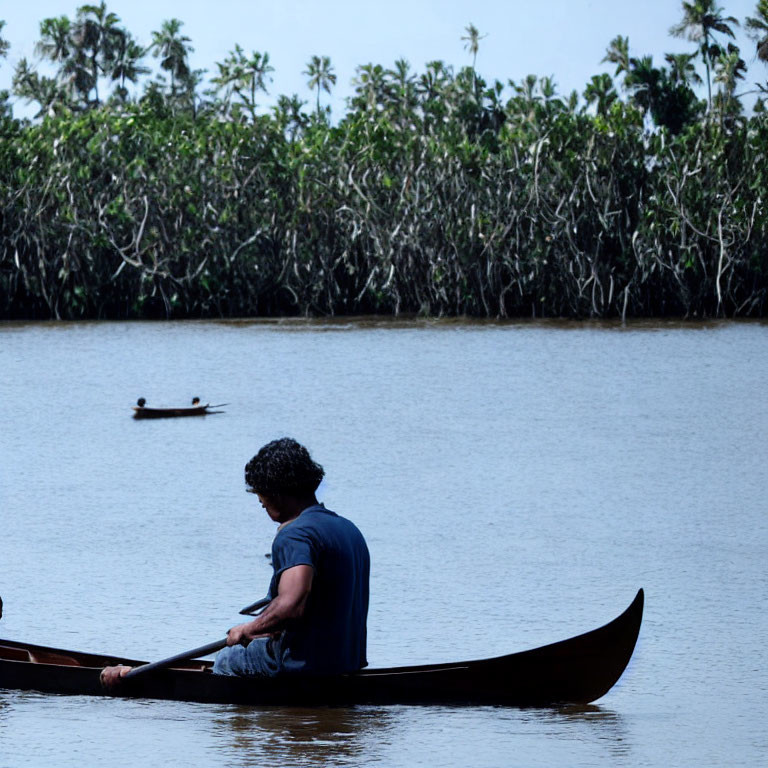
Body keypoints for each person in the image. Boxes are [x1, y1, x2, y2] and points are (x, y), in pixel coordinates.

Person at [101, 438, 369, 689]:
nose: (260, 503)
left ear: (277, 491)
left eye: (260, 494)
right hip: (346, 664)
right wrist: (265, 630)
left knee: (227, 659)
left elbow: (292, 605)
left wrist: (248, 629)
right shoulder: (348, 529)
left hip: (300, 669)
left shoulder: (294, 534)